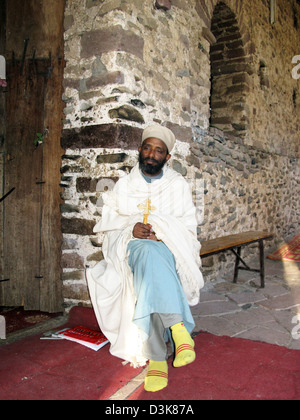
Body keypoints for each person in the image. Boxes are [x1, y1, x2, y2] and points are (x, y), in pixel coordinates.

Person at [86, 125, 204, 392]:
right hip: (131, 248)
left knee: (150, 268)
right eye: (148, 148)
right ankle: (178, 329)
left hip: (167, 249)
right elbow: (110, 224)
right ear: (139, 150)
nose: (152, 154)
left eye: (159, 150)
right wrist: (131, 229)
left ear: (167, 157)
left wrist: (161, 234)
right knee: (146, 258)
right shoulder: (125, 186)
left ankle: (157, 360)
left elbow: (187, 228)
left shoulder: (177, 185)